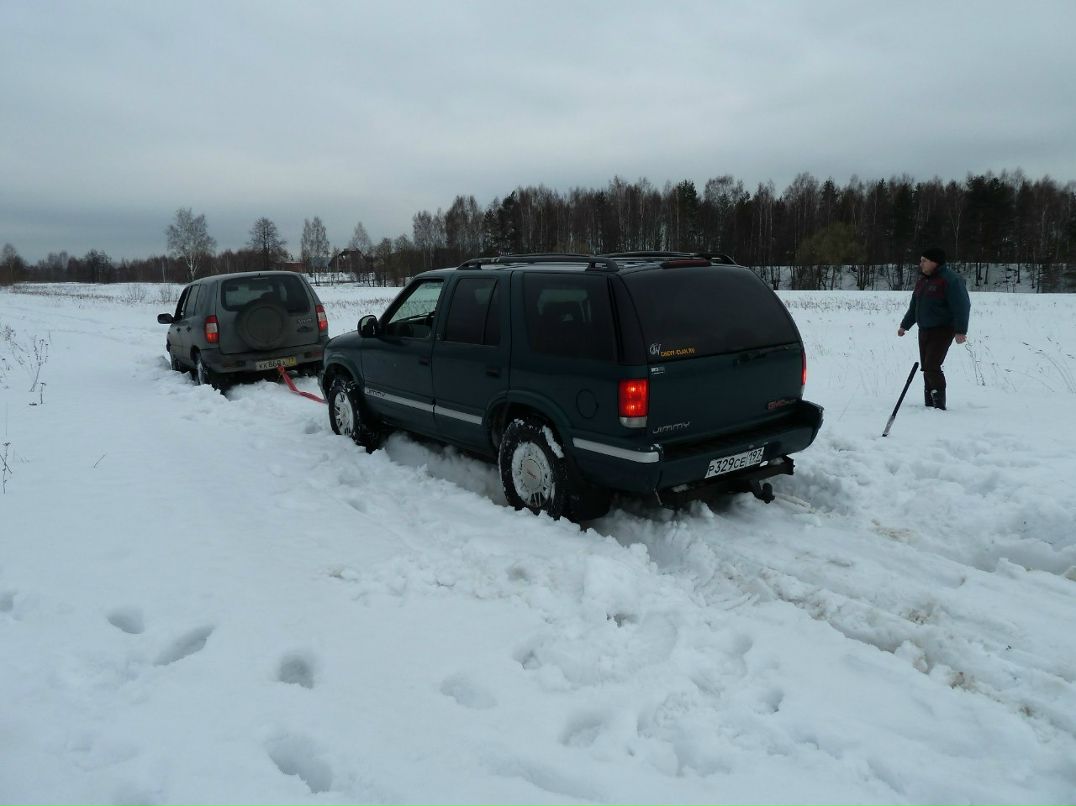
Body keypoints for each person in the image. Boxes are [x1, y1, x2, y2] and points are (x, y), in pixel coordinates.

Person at [897, 247, 971, 410]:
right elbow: (914, 306)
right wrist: (905, 325)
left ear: (934, 262)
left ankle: (939, 403)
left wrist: (960, 330)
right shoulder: (923, 281)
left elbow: (962, 306)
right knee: (926, 366)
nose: (921, 264)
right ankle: (929, 403)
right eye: (921, 260)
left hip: (943, 329)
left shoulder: (951, 280)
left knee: (932, 365)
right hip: (924, 329)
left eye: (924, 261)